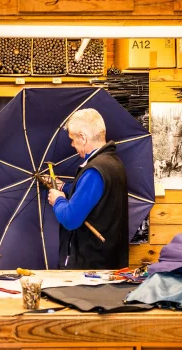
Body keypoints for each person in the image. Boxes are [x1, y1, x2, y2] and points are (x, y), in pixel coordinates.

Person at [46, 108, 129, 270]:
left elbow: (70, 219)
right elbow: (96, 197)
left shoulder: (94, 171)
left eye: (72, 139)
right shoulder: (113, 163)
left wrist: (58, 200)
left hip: (91, 268)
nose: (72, 144)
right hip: (109, 261)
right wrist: (63, 186)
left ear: (83, 138)